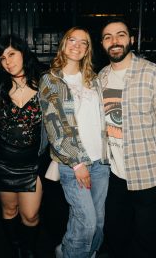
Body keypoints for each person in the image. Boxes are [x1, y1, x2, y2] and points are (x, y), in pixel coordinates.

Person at [98, 17, 156, 258]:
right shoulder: (102, 77)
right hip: (116, 174)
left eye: (120, 35)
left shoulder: (153, 74)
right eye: (108, 37)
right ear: (102, 44)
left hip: (148, 174)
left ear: (131, 39)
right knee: (115, 233)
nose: (114, 41)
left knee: (146, 240)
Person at [38, 27, 110, 258]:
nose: (77, 45)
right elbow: (55, 127)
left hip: (101, 162)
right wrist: (77, 164)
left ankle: (79, 252)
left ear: (88, 49)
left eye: (84, 42)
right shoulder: (51, 80)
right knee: (86, 222)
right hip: (73, 163)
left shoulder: (95, 80)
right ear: (63, 44)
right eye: (72, 40)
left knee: (97, 222)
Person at [0, 34, 48, 258]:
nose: (8, 61)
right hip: (3, 162)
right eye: (2, 57)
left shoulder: (44, 84)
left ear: (24, 53)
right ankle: (17, 250)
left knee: (31, 215)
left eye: (12, 54)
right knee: (9, 210)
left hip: (32, 164)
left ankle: (30, 251)